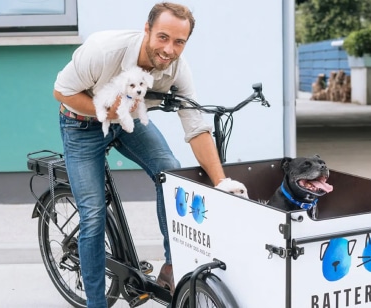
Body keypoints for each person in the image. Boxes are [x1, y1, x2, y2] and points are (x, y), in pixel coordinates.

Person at [53, 2, 238, 307]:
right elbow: (61, 91)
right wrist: (108, 113)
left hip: (128, 120)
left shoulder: (177, 68)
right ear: (147, 29)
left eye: (179, 42)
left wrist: (221, 182)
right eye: (163, 37)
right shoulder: (103, 50)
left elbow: (195, 126)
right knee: (94, 214)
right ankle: (96, 303)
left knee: (170, 172)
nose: (169, 49)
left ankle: (171, 269)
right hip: (81, 123)